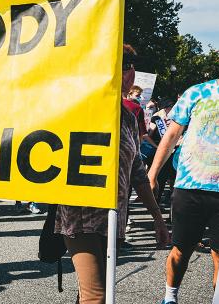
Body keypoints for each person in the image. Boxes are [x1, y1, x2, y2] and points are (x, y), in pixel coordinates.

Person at [55, 44, 170, 304]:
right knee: (96, 296)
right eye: (124, 66)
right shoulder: (82, 108)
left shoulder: (127, 117)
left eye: (131, 67)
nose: (130, 74)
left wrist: (158, 218)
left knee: (97, 291)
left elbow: (137, 172)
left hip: (113, 217)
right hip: (80, 214)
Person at [148, 52, 219, 304]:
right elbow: (170, 136)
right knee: (181, 249)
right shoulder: (197, 92)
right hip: (190, 186)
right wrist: (152, 173)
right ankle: (170, 297)